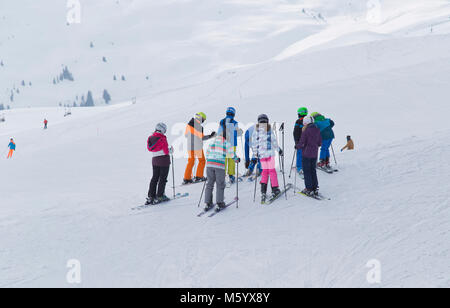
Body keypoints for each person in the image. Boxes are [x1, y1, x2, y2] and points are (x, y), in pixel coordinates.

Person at [204, 130, 240, 211]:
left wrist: (210, 160)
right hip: (219, 166)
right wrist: (236, 159)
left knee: (209, 183)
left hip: (209, 165)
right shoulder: (226, 143)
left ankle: (207, 202)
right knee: (220, 184)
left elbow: (207, 153)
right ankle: (219, 203)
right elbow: (231, 153)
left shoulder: (212, 142)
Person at [252, 114, 283, 204]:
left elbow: (254, 144)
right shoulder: (269, 130)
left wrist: (255, 154)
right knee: (272, 171)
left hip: (262, 156)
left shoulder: (256, 131)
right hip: (269, 155)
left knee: (265, 172)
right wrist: (279, 150)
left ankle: (263, 191)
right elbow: (274, 142)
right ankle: (275, 189)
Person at [183, 112, 216, 185]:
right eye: (203, 120)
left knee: (191, 161)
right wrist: (211, 136)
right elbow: (201, 137)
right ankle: (199, 176)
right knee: (202, 160)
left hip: (190, 146)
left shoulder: (188, 125)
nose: (203, 122)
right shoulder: (199, 127)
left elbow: (186, 135)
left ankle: (186, 178)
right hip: (197, 146)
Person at [146, 123, 173, 205]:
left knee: (154, 178)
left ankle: (151, 196)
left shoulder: (150, 138)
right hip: (164, 161)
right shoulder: (162, 138)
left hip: (154, 160)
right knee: (162, 179)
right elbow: (165, 151)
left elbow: (150, 149)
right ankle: (160, 196)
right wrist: (170, 150)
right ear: (162, 130)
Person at [297, 116, 322, 196]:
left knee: (307, 171)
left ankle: (309, 188)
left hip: (306, 154)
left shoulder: (306, 131)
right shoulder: (317, 130)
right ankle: (315, 187)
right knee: (313, 170)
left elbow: (302, 142)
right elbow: (319, 143)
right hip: (314, 154)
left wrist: (298, 146)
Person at [217, 107, 243, 184]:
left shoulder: (222, 121)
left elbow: (219, 133)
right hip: (232, 144)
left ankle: (222, 176)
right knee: (231, 160)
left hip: (222, 144)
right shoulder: (235, 123)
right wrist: (241, 132)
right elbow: (237, 133)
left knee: (223, 160)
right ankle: (231, 176)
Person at [293, 107, 308, 176]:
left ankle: (299, 167)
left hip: (300, 141)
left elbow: (296, 132)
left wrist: (296, 141)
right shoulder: (309, 120)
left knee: (299, 154)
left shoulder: (298, 121)